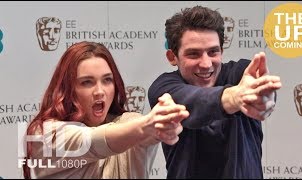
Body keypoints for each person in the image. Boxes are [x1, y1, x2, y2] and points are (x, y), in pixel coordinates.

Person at [148, 6, 282, 179]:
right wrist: (235, 97)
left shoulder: (241, 73)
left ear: (222, 51)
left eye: (213, 52)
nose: (206, 64)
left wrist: (261, 96)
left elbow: (257, 89)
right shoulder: (164, 88)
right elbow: (193, 102)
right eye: (193, 54)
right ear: (172, 57)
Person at [22, 41, 189, 179]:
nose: (100, 91)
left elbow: (143, 134)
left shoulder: (128, 122)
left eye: (107, 80)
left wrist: (165, 122)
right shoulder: (44, 133)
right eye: (87, 82)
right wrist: (148, 125)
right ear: (68, 89)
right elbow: (92, 142)